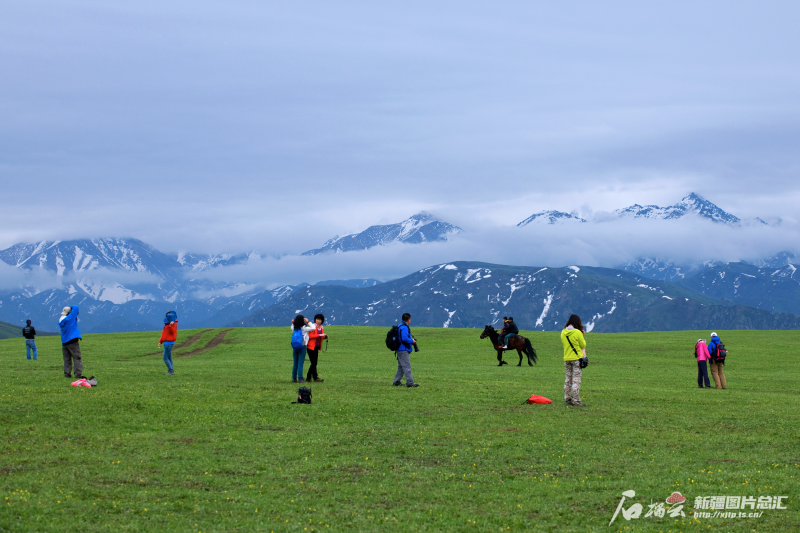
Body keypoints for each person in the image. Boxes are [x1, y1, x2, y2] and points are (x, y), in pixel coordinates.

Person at [560, 314, 586, 406]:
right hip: (576, 358)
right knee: (576, 379)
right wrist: (582, 335)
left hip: (567, 358)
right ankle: (576, 400)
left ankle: (567, 398)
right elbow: (582, 345)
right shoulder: (578, 333)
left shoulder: (563, 332)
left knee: (568, 379)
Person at [393, 313, 418, 388]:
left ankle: (396, 381)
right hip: (403, 349)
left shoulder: (400, 326)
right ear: (408, 319)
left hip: (399, 349)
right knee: (406, 366)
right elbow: (404, 338)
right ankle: (410, 382)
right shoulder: (404, 328)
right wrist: (412, 341)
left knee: (401, 366)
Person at [59, 306, 83, 379]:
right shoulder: (70, 318)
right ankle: (78, 375)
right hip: (72, 340)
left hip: (64, 341)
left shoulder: (61, 320)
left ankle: (67, 374)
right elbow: (76, 308)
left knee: (67, 359)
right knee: (77, 358)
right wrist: (71, 307)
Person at [291, 315, 315, 383]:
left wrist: (293, 322)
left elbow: (292, 326)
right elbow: (313, 328)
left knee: (295, 363)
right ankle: (300, 378)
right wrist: (308, 321)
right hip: (302, 346)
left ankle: (294, 378)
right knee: (300, 364)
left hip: (295, 347)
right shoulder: (304, 328)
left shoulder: (294, 328)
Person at [305, 313, 328, 383]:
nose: (318, 321)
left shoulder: (321, 327)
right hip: (311, 346)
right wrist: (320, 335)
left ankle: (309, 377)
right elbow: (310, 337)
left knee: (314, 363)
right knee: (314, 362)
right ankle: (315, 377)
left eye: (320, 320)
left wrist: (324, 337)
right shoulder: (312, 327)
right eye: (317, 319)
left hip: (316, 346)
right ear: (315, 319)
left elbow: (318, 337)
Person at [158, 311, 178, 376]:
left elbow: (172, 332)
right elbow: (164, 334)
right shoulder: (167, 325)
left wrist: (170, 325)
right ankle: (171, 370)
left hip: (169, 344)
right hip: (167, 343)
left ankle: (171, 370)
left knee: (165, 358)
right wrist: (160, 342)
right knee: (169, 357)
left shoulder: (173, 325)